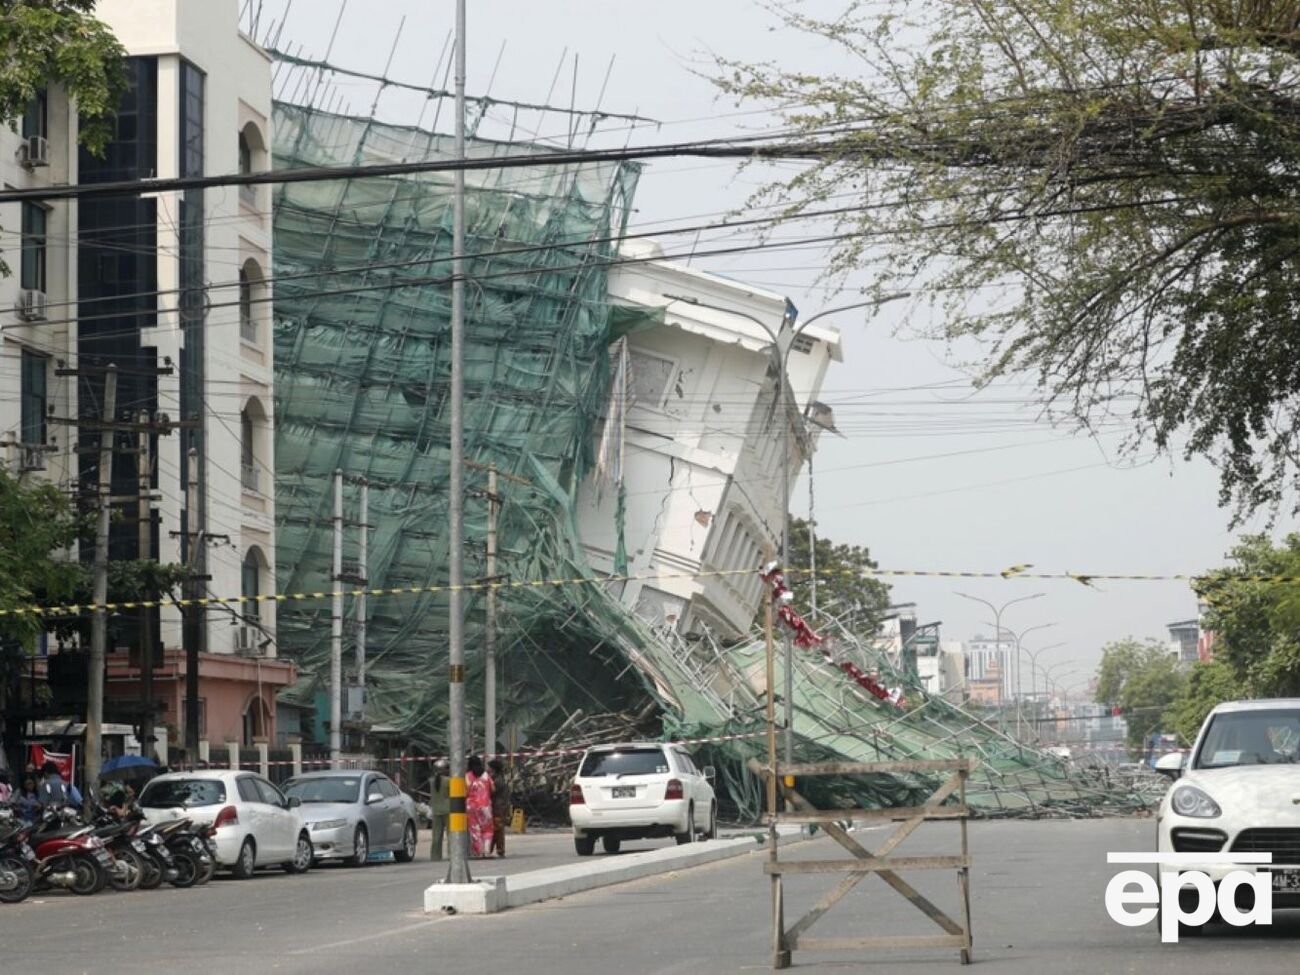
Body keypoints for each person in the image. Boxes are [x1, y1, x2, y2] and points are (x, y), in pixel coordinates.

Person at [465, 755, 494, 858]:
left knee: (475, 830)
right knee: (488, 829)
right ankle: (487, 851)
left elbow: (465, 792)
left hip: (471, 807)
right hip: (485, 806)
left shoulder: (467, 776)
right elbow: (493, 789)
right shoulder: (486, 775)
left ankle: (479, 852)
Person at [487, 759, 511, 858]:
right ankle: (491, 849)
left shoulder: (497, 780)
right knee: (495, 829)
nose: (487, 769)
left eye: (489, 767)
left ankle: (500, 850)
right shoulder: (495, 778)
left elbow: (491, 792)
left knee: (498, 830)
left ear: (493, 769)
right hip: (496, 807)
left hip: (498, 808)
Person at [428, 759, 450, 862]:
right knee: (451, 834)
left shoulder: (431, 781)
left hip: (436, 810)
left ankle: (435, 856)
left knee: (436, 835)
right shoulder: (448, 781)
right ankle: (451, 854)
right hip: (448, 810)